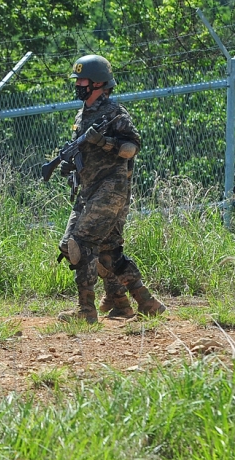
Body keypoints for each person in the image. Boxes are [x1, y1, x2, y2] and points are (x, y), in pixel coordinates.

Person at [55, 55, 165, 323]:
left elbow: (132, 148)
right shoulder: (82, 114)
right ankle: (139, 303)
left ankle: (86, 311)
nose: (78, 84)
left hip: (111, 188)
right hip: (88, 190)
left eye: (83, 80)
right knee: (108, 251)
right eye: (77, 80)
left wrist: (104, 141)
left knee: (80, 243)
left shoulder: (114, 113)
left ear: (99, 83)